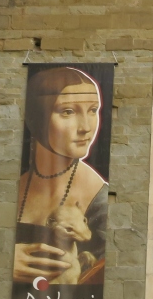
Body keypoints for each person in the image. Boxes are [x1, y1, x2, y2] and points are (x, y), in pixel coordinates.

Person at [11, 67, 108, 285]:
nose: (86, 127)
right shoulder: (12, 187)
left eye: (93, 110)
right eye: (68, 112)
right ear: (38, 116)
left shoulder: (99, 203)